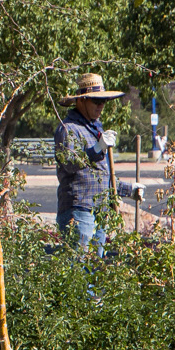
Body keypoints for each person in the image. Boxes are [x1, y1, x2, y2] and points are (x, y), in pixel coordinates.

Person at [57, 73, 126, 253]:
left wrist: (128, 189)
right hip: (79, 211)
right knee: (79, 272)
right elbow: (69, 163)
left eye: (103, 101)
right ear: (81, 101)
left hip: (99, 213)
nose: (101, 106)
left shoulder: (95, 128)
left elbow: (100, 175)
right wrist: (97, 149)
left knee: (94, 273)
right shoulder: (68, 129)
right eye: (96, 101)